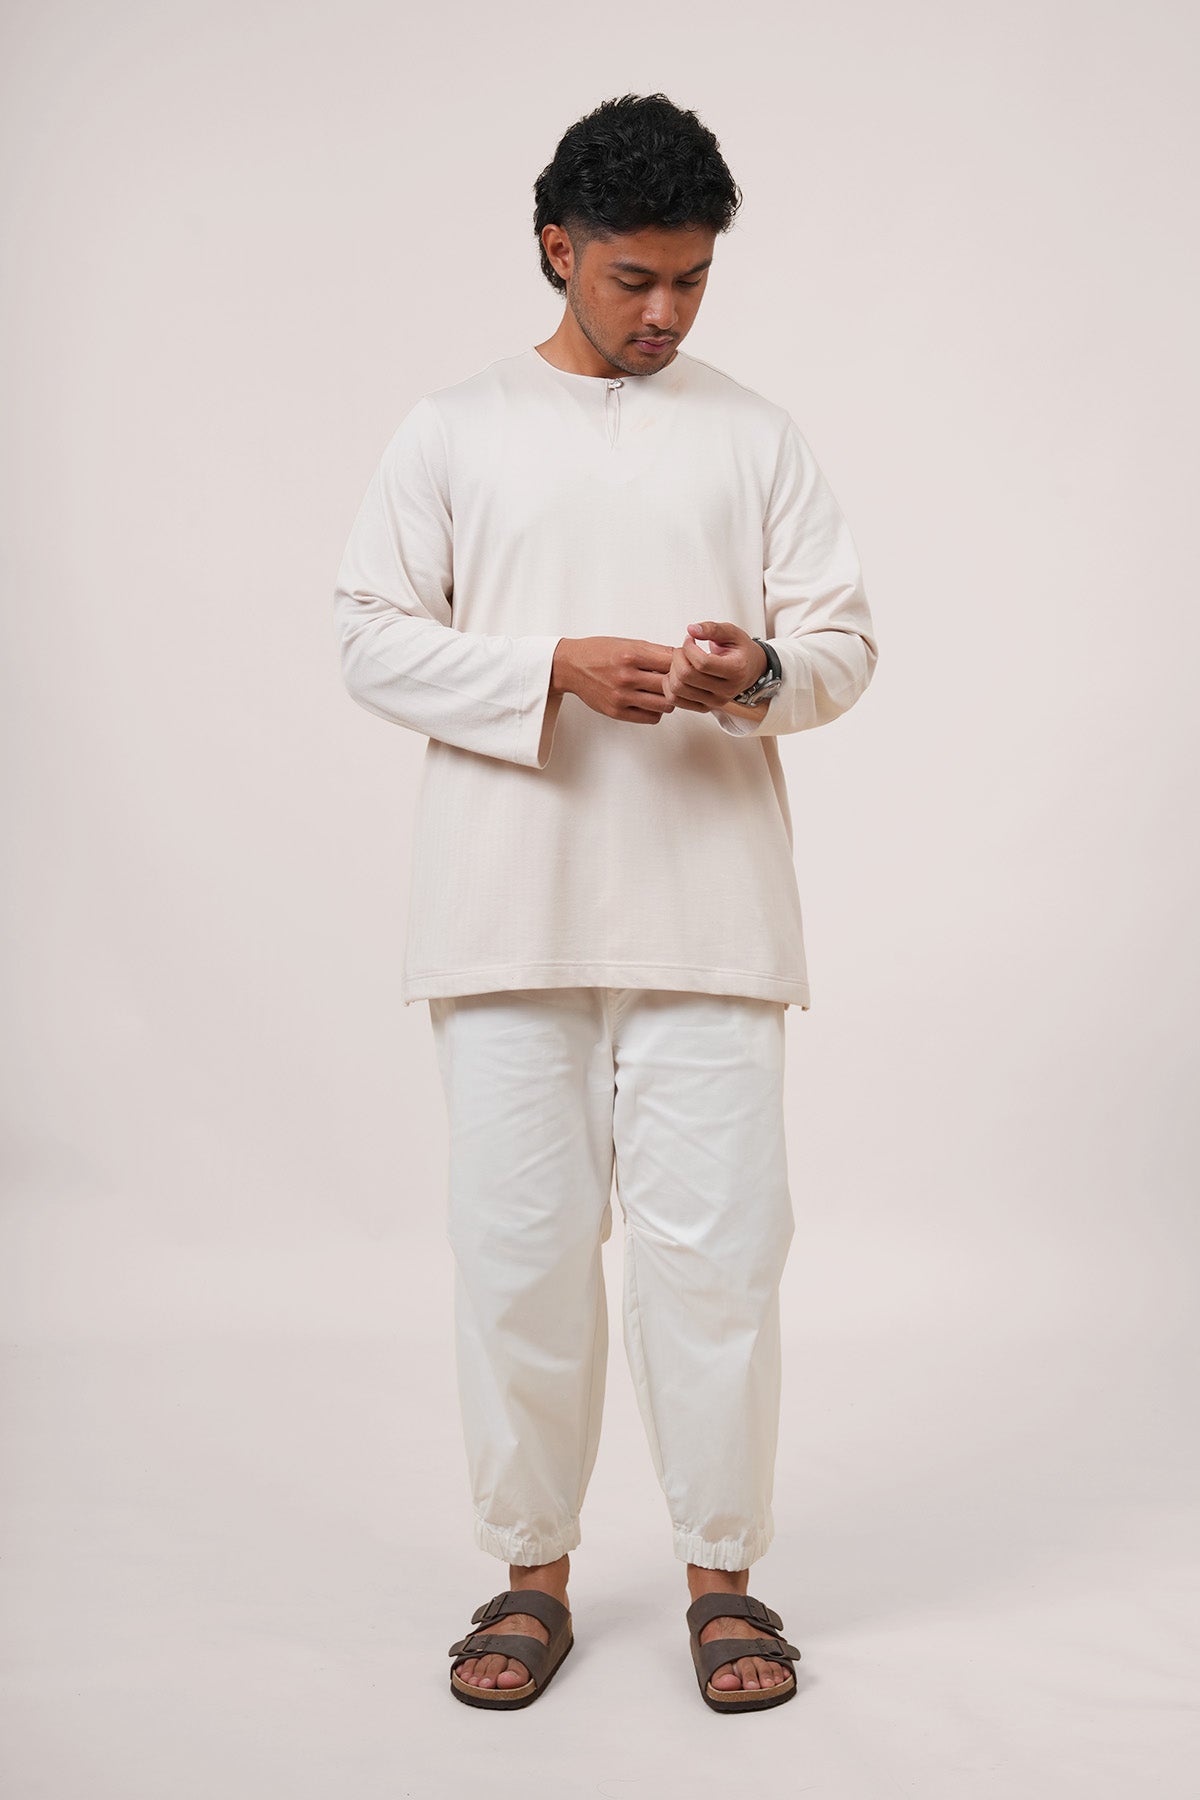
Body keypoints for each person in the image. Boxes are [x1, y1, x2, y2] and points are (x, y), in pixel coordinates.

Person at [332, 91, 878, 1715]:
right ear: (556, 248)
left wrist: (756, 673)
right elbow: (368, 634)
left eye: (692, 279)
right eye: (634, 276)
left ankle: (724, 1577)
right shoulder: (453, 428)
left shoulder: (755, 434)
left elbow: (842, 646)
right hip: (507, 917)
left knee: (721, 1268)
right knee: (519, 1263)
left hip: (713, 924)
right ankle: (531, 1575)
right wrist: (545, 669)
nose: (665, 312)